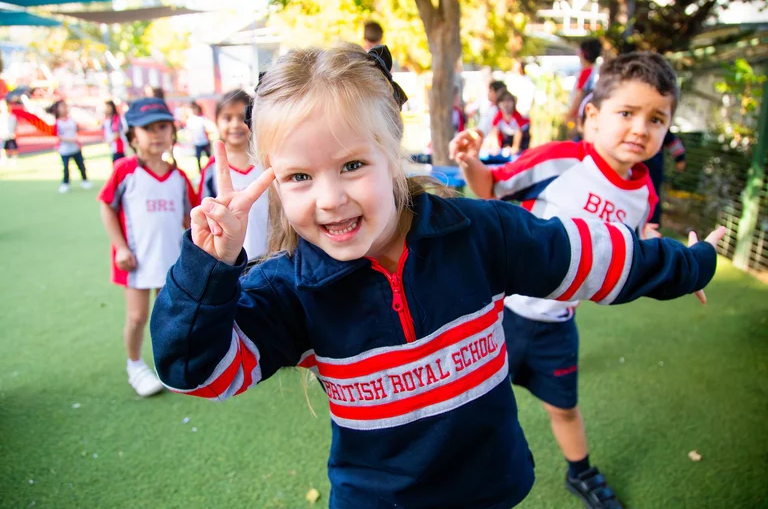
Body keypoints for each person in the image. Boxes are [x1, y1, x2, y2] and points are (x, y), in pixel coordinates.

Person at [150, 44, 722, 509]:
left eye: (352, 165)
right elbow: (197, 373)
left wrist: (691, 263)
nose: (329, 199)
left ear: (392, 153)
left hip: (492, 489)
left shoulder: (477, 233)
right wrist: (209, 270)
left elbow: (593, 258)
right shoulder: (289, 289)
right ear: (274, 182)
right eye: (298, 176)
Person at [451, 51, 689, 508]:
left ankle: (580, 472)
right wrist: (469, 163)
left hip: (557, 324)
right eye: (628, 113)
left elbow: (633, 248)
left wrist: (676, 260)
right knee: (472, 402)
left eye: (657, 119)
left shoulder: (644, 193)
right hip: (499, 314)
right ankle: (459, 470)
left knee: (563, 406)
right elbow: (490, 187)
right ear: (593, 118)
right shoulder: (561, 161)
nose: (641, 128)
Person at [98, 97, 197, 397]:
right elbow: (106, 206)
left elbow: (188, 217)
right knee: (138, 316)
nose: (156, 134)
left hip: (171, 261)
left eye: (163, 126)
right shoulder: (124, 170)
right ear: (132, 136)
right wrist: (121, 248)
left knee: (167, 317)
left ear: (172, 132)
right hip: (136, 262)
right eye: (147, 128)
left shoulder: (178, 177)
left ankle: (169, 366)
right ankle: (135, 365)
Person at [199, 89, 269, 260]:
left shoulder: (268, 162)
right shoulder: (211, 169)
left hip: (271, 255)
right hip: (230, 259)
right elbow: (203, 213)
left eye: (241, 117)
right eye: (227, 118)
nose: (236, 124)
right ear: (216, 121)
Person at [643, 130, 687, 226]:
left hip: (653, 167)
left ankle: (652, 224)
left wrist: (680, 158)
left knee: (652, 195)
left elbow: (671, 140)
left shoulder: (660, 129)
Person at [50, 101, 91, 194]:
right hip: (64, 149)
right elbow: (57, 135)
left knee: (81, 165)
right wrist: (68, 139)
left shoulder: (72, 120)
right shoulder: (57, 122)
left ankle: (85, 180)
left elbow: (77, 130)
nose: (64, 108)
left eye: (65, 106)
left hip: (75, 147)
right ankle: (65, 183)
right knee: (65, 167)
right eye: (61, 107)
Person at [566, 38, 602, 123]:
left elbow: (579, 93)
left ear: (583, 53)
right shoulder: (595, 70)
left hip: (582, 115)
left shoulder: (586, 72)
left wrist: (570, 113)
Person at [489, 91, 531, 156]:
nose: (506, 104)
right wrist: (495, 147)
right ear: (499, 104)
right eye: (502, 101)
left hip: (522, 139)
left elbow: (518, 133)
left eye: (508, 101)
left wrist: (515, 147)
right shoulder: (498, 116)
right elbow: (494, 132)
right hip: (507, 137)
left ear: (513, 103)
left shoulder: (517, 116)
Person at [185, 101, 213, 171]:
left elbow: (208, 128)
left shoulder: (202, 118)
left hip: (205, 141)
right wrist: (190, 140)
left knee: (209, 157)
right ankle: (200, 171)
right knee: (198, 158)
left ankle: (211, 169)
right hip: (197, 142)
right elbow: (189, 131)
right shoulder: (190, 120)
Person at [102, 100, 127, 165]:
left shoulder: (116, 118)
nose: (105, 109)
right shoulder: (107, 119)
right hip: (113, 148)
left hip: (119, 147)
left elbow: (117, 133)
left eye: (107, 106)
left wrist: (109, 141)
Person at [0, 99, 18, 167]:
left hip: (10, 135)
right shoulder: (1, 117)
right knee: (3, 148)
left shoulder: (12, 116)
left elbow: (15, 125)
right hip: (3, 135)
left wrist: (14, 132)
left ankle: (14, 159)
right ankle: (3, 159)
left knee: (13, 147)